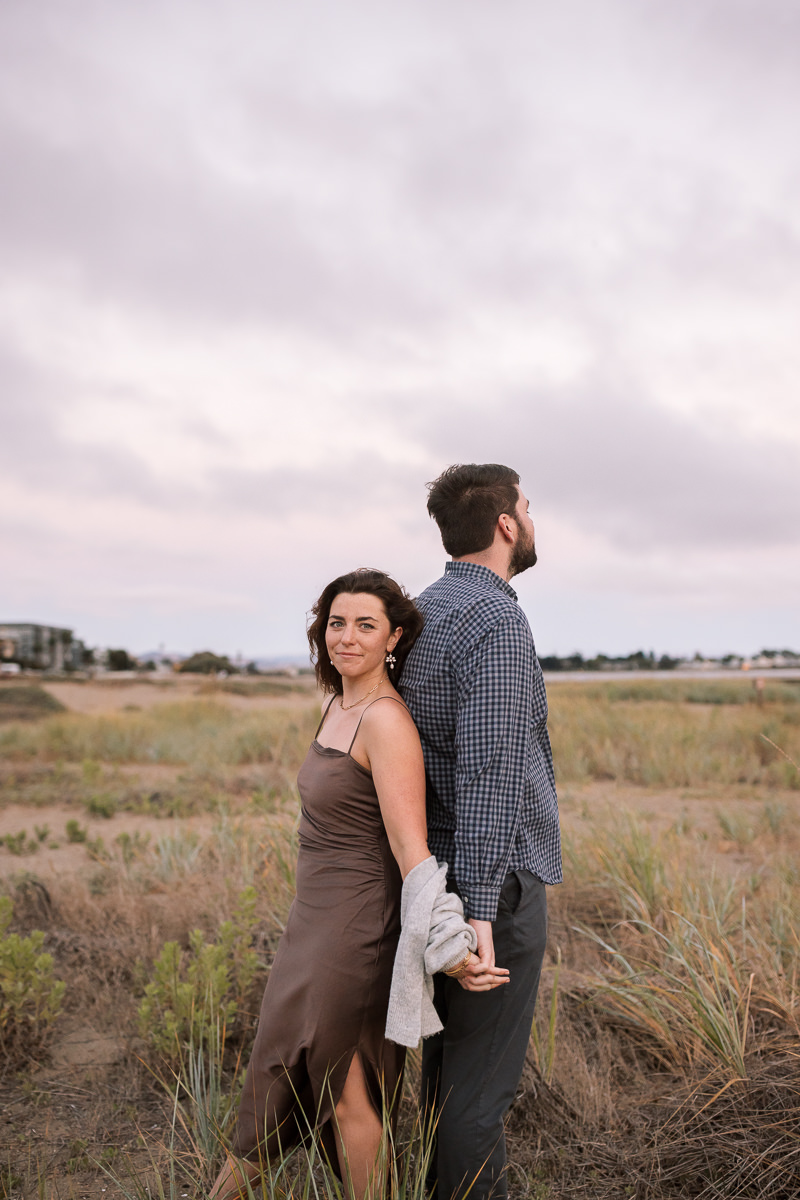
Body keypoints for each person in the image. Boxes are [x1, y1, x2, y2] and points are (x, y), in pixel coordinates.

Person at [211, 568, 505, 1200]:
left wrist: (450, 945)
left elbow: (412, 849)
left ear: (393, 638)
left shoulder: (386, 723)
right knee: (282, 1069)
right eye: (336, 623)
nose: (347, 637)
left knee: (345, 1089)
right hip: (311, 923)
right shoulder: (339, 704)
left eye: (365, 625)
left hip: (356, 932)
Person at [400, 464, 563, 1200]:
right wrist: (485, 910)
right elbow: (491, 773)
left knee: (449, 1076)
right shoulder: (494, 620)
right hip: (490, 885)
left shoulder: (423, 609)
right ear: (505, 524)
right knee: (479, 1090)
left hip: (434, 876)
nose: (531, 519)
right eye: (527, 506)